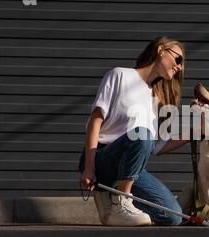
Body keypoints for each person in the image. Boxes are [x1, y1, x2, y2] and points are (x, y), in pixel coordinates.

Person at [78, 36, 190, 226]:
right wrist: (89, 167)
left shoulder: (156, 99)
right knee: (142, 134)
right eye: (178, 59)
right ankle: (120, 202)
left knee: (173, 216)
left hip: (130, 169)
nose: (179, 67)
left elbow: (155, 147)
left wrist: (197, 132)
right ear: (160, 50)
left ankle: (116, 203)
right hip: (102, 159)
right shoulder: (120, 75)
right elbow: (95, 121)